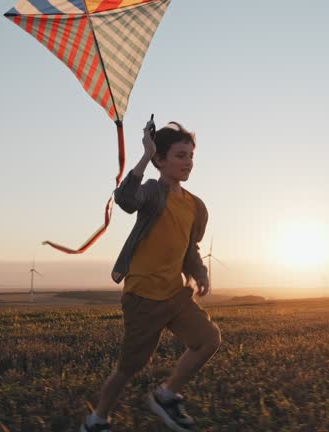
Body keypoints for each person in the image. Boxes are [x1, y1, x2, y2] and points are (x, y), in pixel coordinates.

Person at [81, 118, 221, 432]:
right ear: (161, 160)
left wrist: (199, 273)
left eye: (190, 156)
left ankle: (166, 394)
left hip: (175, 294)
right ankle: (96, 420)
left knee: (208, 339)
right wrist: (144, 155)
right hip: (143, 296)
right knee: (130, 367)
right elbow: (125, 200)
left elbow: (190, 249)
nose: (188, 163)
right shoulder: (152, 193)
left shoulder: (196, 207)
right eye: (180, 156)